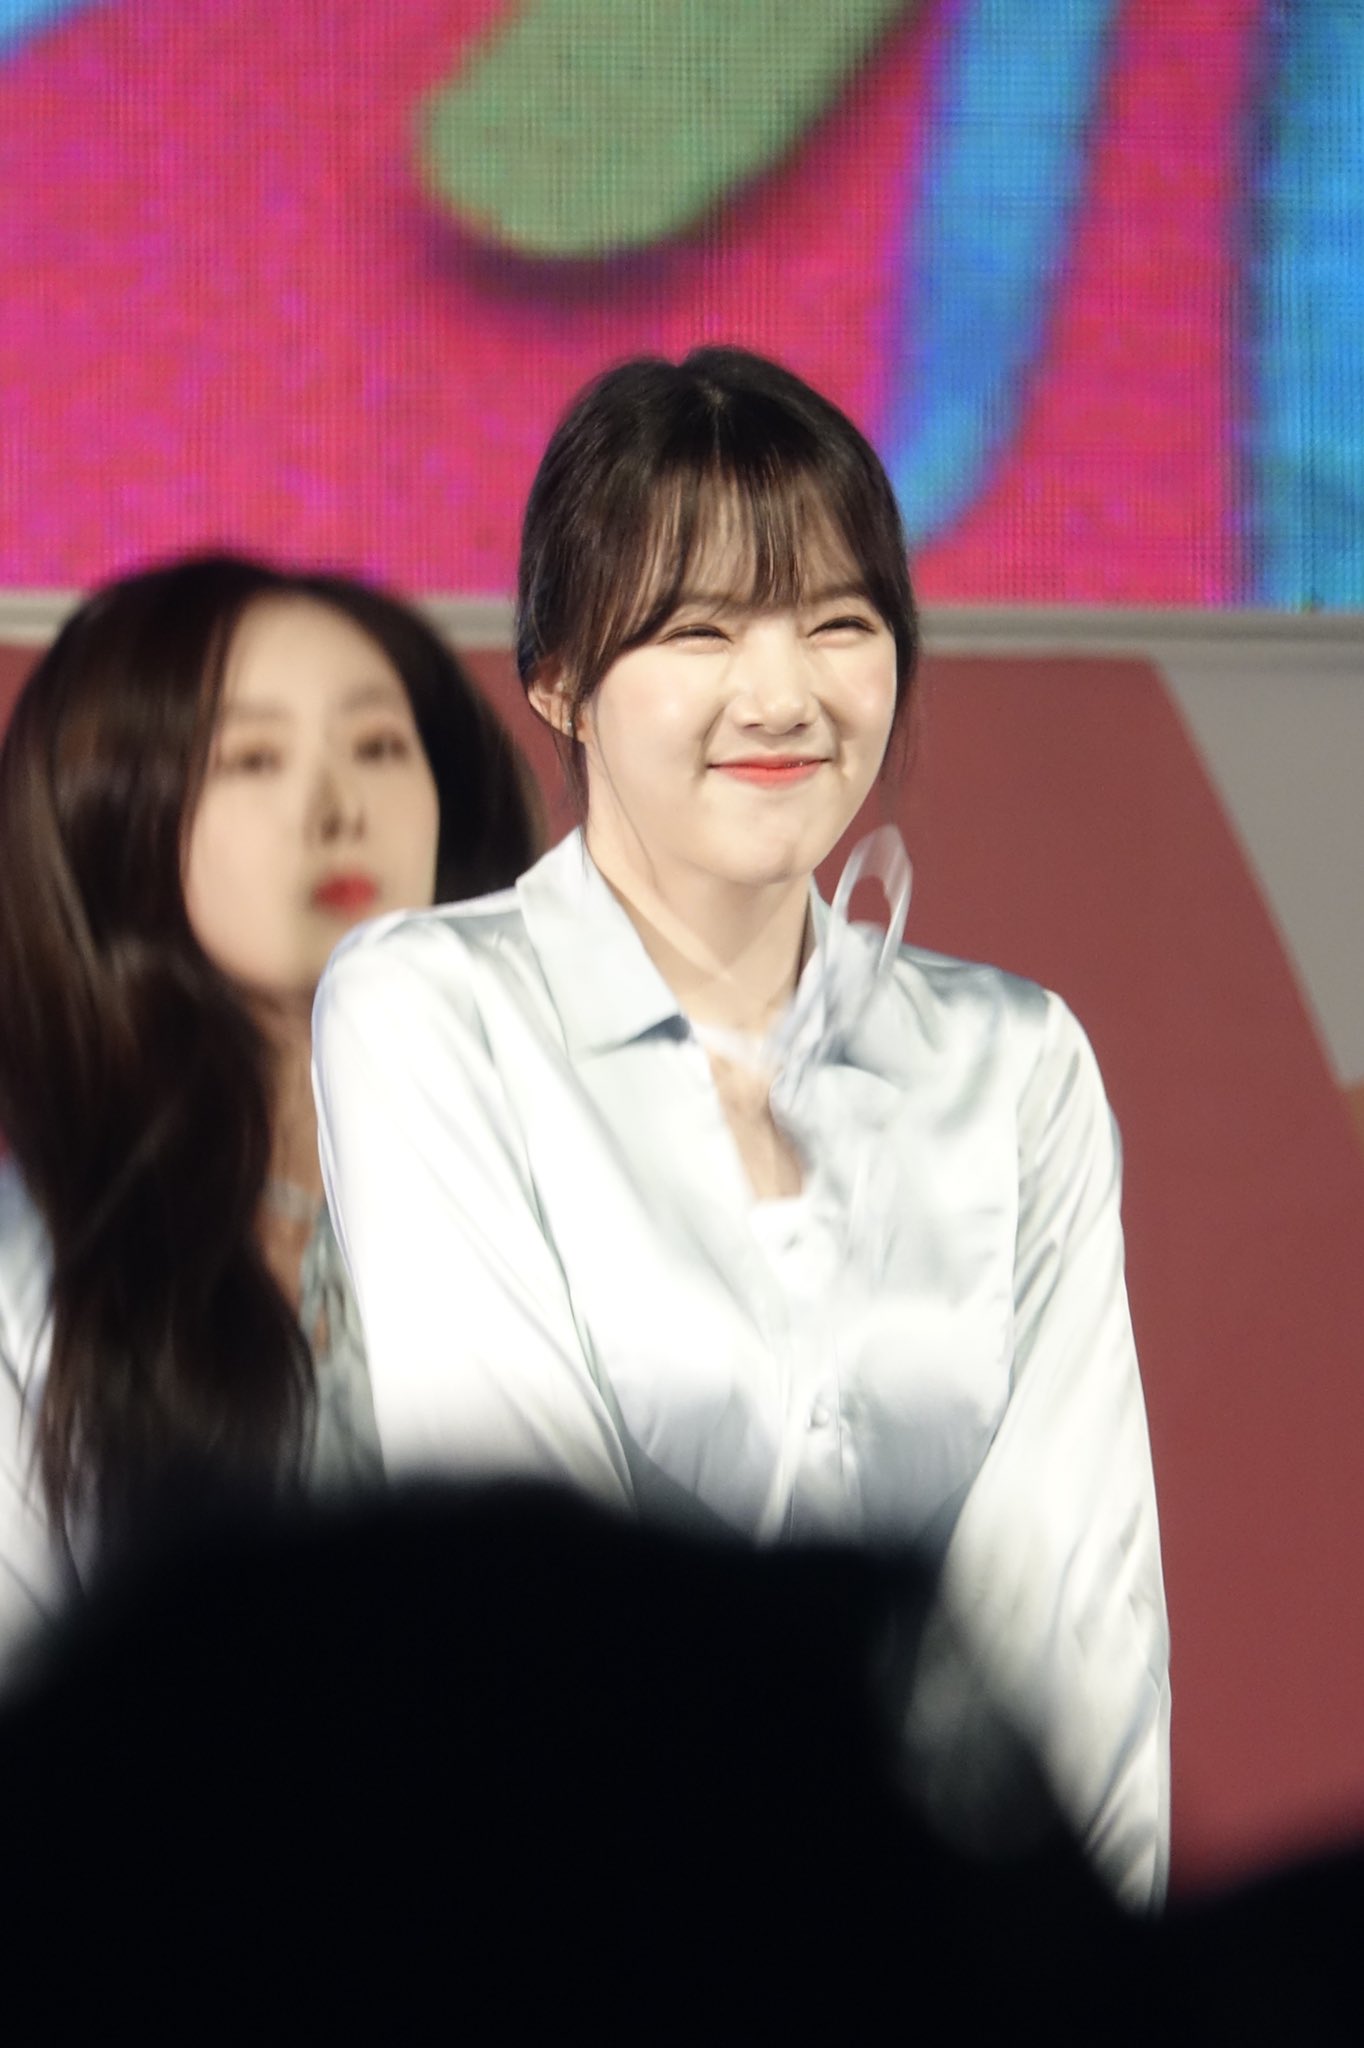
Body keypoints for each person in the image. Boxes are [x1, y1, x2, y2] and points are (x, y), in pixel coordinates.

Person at [312, 347, 1172, 1907]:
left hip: (964, 1958)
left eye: (839, 624)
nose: (782, 698)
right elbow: (528, 1575)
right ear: (558, 677)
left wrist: (1091, 1981)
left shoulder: (1014, 1059)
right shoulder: (434, 1009)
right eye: (699, 630)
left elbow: (1077, 1600)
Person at [0, 551, 539, 1665]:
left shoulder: (560, 1178)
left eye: (378, 746)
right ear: (112, 814)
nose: (335, 806)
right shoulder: (31, 1262)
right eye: (252, 758)